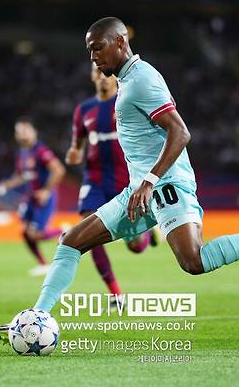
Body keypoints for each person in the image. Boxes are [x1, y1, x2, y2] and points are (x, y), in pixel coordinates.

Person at [0, 17, 239, 338]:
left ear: (120, 42)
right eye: (89, 50)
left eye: (98, 48)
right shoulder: (127, 81)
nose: (93, 57)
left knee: (193, 261)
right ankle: (35, 318)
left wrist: (151, 180)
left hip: (166, 184)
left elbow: (180, 133)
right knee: (70, 241)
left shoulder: (142, 79)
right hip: (138, 189)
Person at [66, 63, 159, 306]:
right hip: (95, 180)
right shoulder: (83, 110)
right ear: (92, 76)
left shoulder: (127, 102)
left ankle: (146, 233)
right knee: (87, 230)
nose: (102, 77)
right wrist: (74, 153)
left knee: (135, 247)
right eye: (97, 72)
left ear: (115, 77)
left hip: (125, 180)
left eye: (105, 72)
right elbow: (77, 144)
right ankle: (116, 294)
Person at [0, 118, 66, 276]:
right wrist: (8, 184)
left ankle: (65, 232)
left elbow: (59, 170)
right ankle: (43, 264)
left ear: (34, 132)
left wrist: (46, 191)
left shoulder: (41, 151)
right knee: (25, 232)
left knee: (36, 234)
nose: (22, 134)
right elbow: (22, 176)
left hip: (44, 197)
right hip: (31, 198)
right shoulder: (23, 153)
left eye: (25, 130)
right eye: (19, 132)